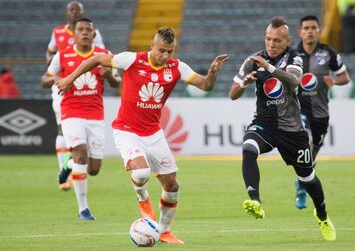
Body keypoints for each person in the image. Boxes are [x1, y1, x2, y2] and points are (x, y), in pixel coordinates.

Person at [56, 27, 228, 243]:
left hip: (154, 133)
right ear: (152, 47)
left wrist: (212, 72)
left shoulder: (177, 67)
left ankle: (163, 231)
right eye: (162, 50)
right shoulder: (131, 60)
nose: (165, 56)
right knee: (141, 173)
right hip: (127, 130)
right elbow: (97, 58)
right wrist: (70, 78)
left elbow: (205, 85)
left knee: (172, 186)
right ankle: (142, 198)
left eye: (170, 51)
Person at [229, 16, 336, 241]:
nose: (271, 44)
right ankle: (255, 200)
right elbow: (233, 94)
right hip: (265, 124)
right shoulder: (253, 60)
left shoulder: (294, 57)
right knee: (248, 147)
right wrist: (244, 83)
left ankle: (323, 216)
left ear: (287, 41)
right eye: (268, 39)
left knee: (307, 178)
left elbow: (294, 81)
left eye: (277, 40)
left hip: (292, 130)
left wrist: (267, 67)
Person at [42, 18, 120, 220]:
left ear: (94, 35)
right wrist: (58, 79)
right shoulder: (63, 55)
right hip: (71, 112)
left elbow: (116, 84)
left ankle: (68, 165)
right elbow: (45, 79)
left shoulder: (104, 56)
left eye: (88, 30)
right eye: (81, 30)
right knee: (81, 155)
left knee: (93, 169)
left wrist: (109, 76)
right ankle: (83, 209)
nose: (85, 33)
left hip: (95, 115)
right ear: (74, 34)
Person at [44, 1, 105, 191]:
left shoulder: (95, 35)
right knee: (62, 128)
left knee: (91, 164)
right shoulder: (58, 33)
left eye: (78, 10)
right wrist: (59, 73)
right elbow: (49, 54)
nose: (74, 13)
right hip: (63, 88)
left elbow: (100, 57)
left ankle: (71, 163)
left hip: (86, 87)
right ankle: (67, 171)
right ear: (67, 14)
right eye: (72, 10)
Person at [294, 15, 351, 209]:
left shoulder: (329, 53)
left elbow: (345, 76)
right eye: (306, 28)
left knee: (312, 154)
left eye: (313, 28)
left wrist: (334, 81)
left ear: (319, 31)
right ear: (300, 32)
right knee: (306, 142)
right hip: (299, 111)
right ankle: (302, 190)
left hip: (321, 113)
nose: (310, 31)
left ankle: (300, 183)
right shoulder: (292, 55)